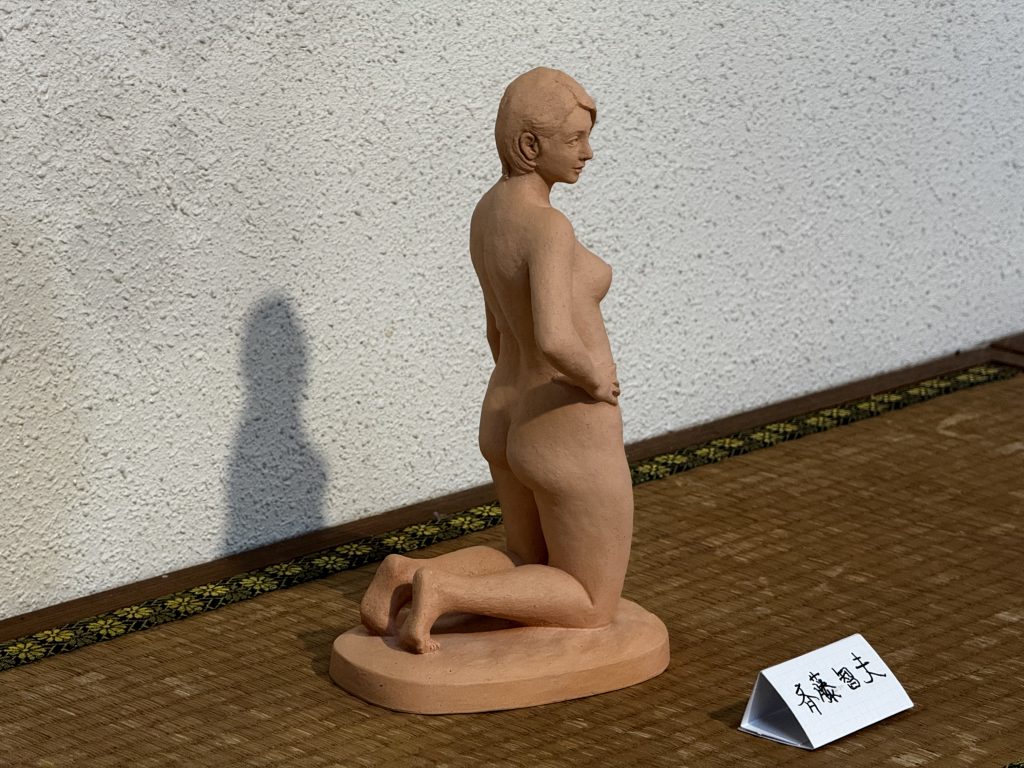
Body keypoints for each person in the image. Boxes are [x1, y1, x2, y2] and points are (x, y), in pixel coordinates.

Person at [359, 68, 633, 653]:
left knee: (525, 559)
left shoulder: (488, 212)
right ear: (529, 146)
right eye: (575, 139)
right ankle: (443, 592)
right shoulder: (548, 226)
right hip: (563, 420)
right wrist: (596, 381)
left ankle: (405, 574)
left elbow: (497, 328)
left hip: (505, 406)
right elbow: (554, 337)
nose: (588, 152)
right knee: (592, 600)